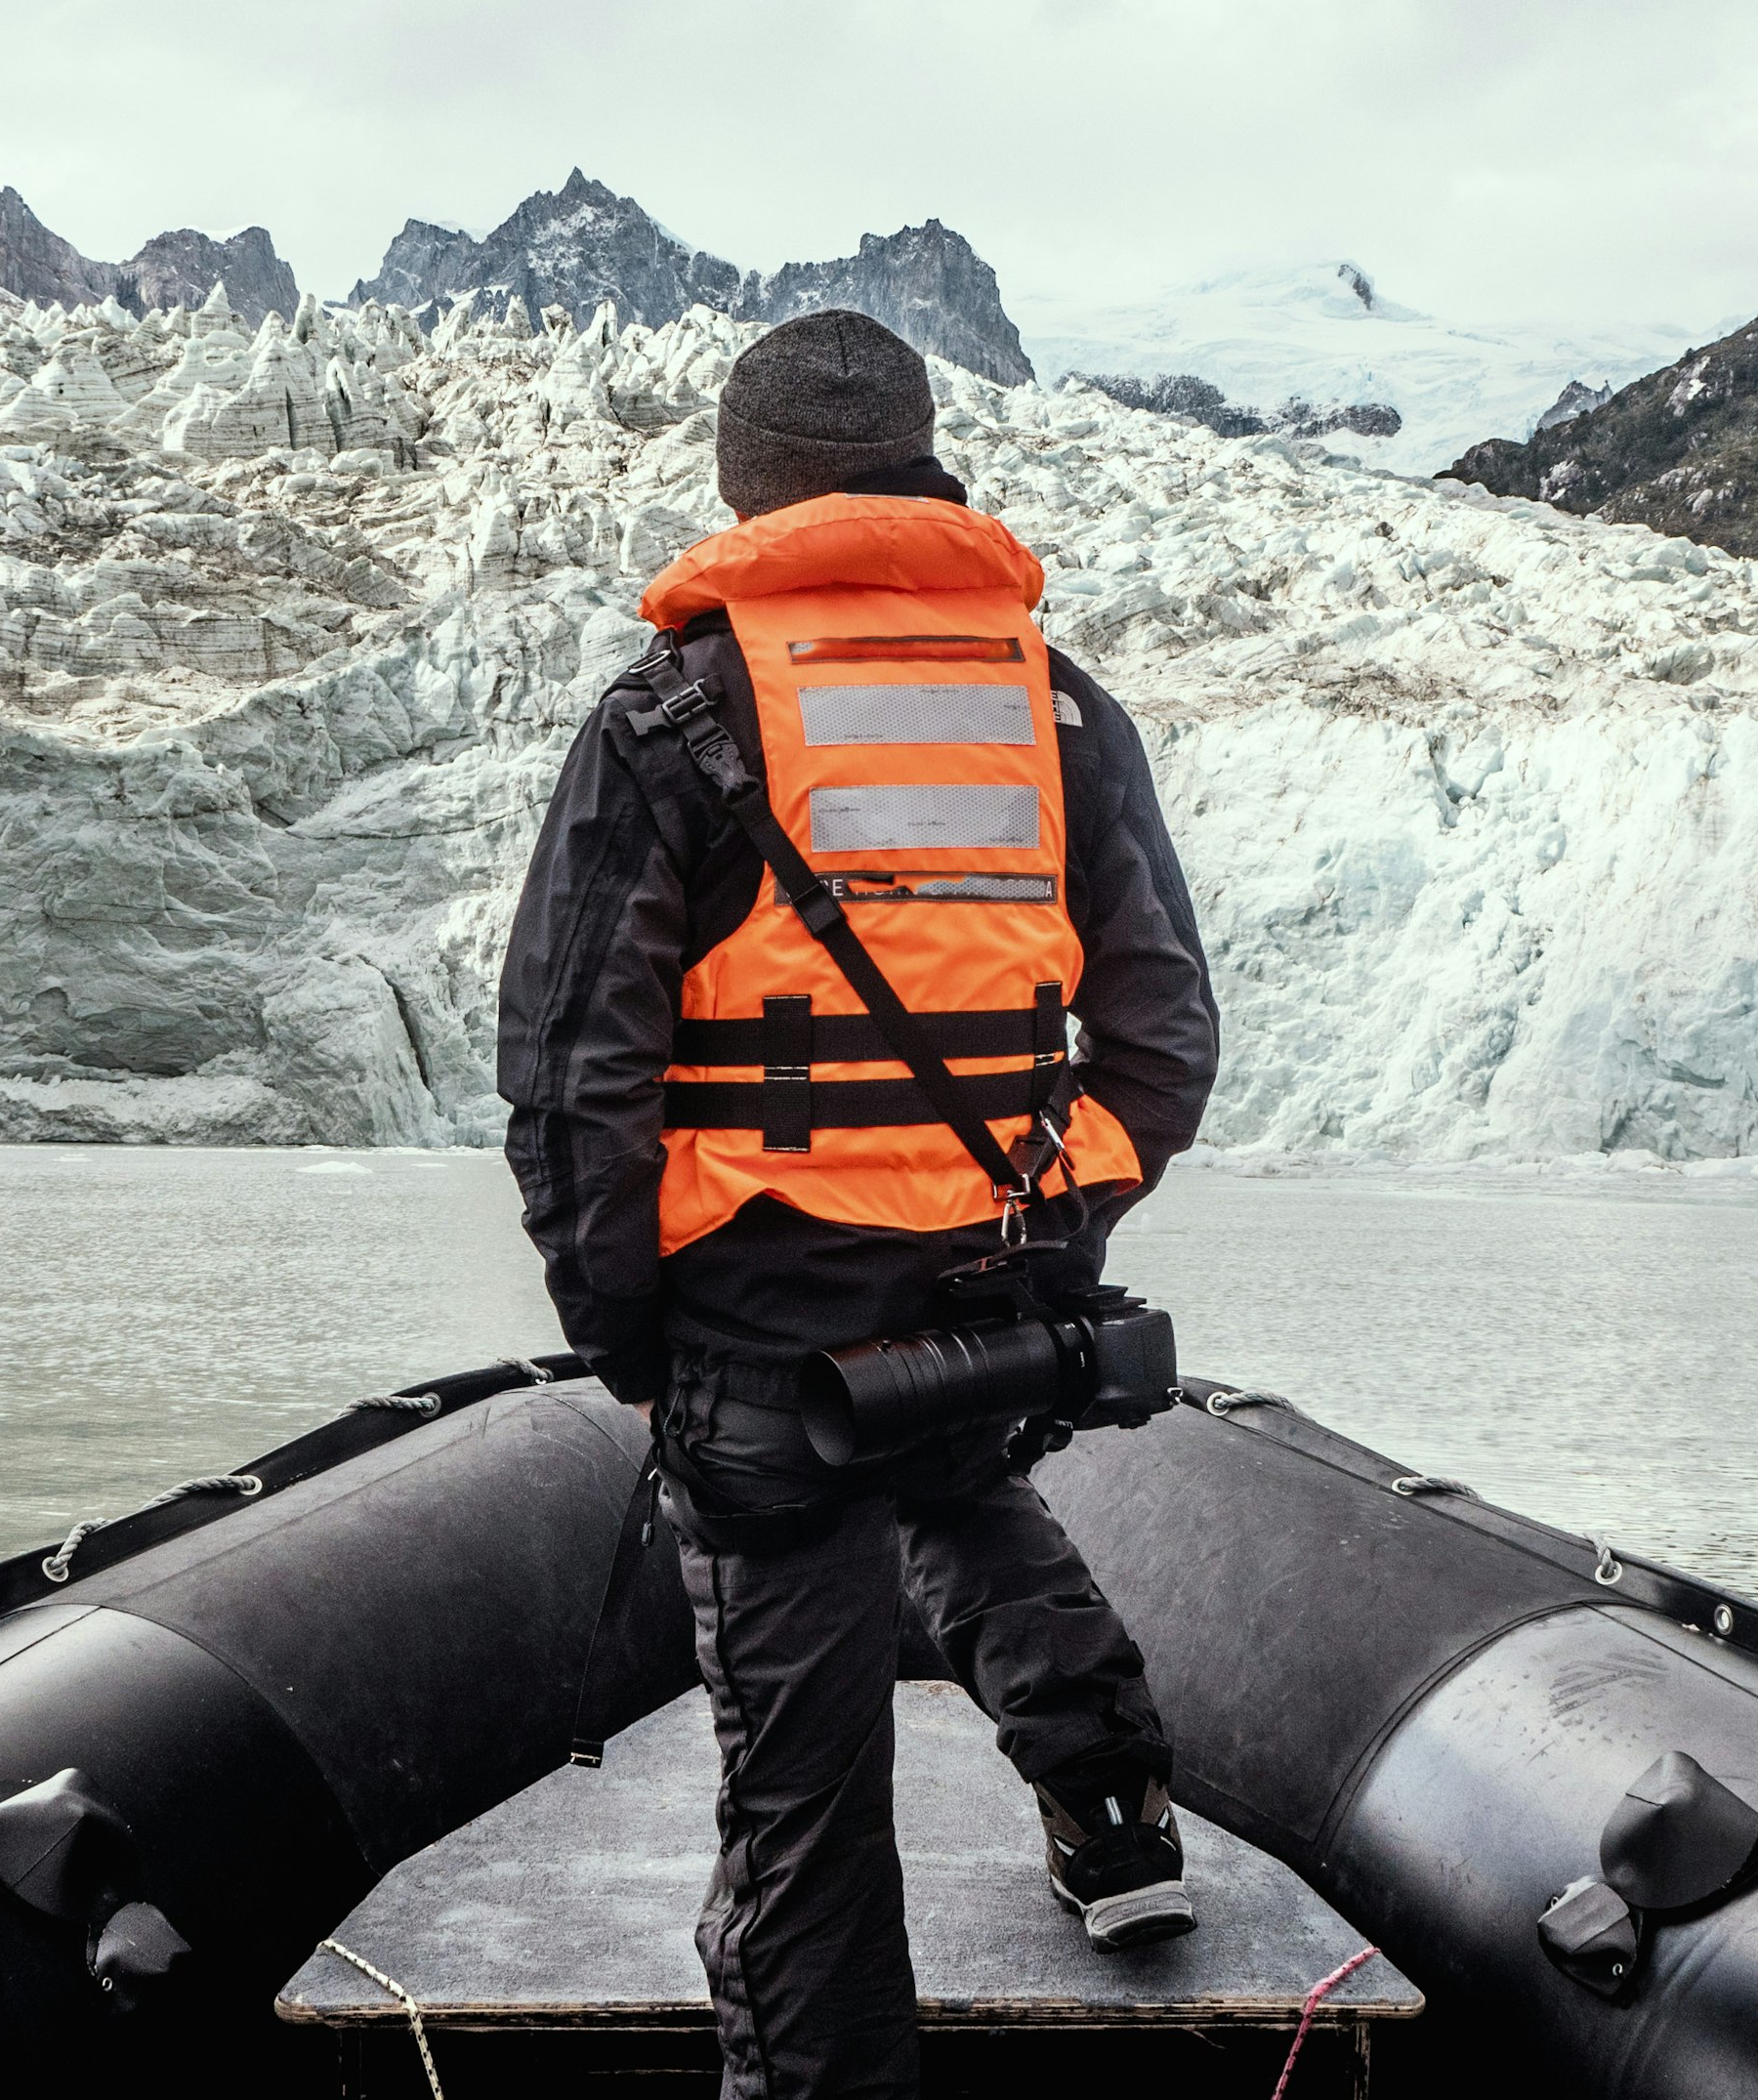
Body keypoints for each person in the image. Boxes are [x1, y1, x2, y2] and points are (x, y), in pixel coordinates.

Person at [499, 309, 1223, 2099]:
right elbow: (1163, 1033)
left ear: (747, 487)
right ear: (919, 470)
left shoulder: (679, 715)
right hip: (991, 1283)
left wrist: (625, 1328)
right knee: (958, 1477)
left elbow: (573, 1070)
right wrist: (1056, 1218)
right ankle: (1113, 1804)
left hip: (758, 1320)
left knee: (803, 1837)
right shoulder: (1054, 709)